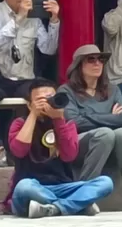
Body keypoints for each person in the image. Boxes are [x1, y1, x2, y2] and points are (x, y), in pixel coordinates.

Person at [58, 44, 122, 210]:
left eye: (101, 60)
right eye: (91, 59)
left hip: (110, 143)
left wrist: (87, 115)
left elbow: (121, 120)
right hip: (78, 144)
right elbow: (74, 123)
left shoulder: (113, 90)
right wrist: (109, 117)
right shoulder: (66, 91)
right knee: (105, 133)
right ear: (79, 65)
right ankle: (84, 193)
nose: (97, 63)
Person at [7, 79, 113, 218]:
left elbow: (69, 155)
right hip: (32, 187)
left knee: (106, 183)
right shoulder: (20, 123)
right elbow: (19, 151)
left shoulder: (66, 123)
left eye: (51, 98)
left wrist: (58, 119)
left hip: (62, 187)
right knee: (24, 186)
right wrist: (33, 115)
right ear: (29, 104)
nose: (47, 102)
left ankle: (55, 208)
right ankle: (75, 206)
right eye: (40, 100)